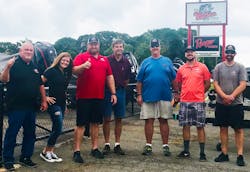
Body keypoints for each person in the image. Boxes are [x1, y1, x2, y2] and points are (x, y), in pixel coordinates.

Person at [2, 42, 48, 171]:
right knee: (12, 133)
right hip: (16, 107)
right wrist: (7, 67)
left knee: (30, 134)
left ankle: (26, 157)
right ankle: (8, 159)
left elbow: (40, 84)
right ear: (20, 51)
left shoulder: (34, 66)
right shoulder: (13, 64)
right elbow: (4, 79)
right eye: (26, 50)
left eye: (31, 50)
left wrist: (44, 100)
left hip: (31, 107)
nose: (28, 52)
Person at [72, 37, 117, 163]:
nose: (93, 46)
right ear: (87, 45)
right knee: (80, 125)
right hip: (83, 97)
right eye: (91, 44)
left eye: (95, 44)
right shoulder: (81, 57)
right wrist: (83, 66)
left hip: (99, 96)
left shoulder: (104, 59)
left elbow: (109, 76)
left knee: (96, 123)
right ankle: (76, 151)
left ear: (99, 45)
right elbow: (73, 70)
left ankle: (95, 148)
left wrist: (113, 93)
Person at [136, 39, 176, 156]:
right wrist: (139, 95)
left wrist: (176, 92)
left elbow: (174, 79)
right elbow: (139, 81)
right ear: (150, 48)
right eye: (153, 46)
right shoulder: (145, 62)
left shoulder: (167, 61)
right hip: (148, 96)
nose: (155, 48)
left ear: (160, 47)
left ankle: (165, 146)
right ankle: (148, 145)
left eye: (156, 46)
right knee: (149, 120)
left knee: (164, 120)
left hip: (164, 96)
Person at [174, 46, 211, 161]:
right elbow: (179, 84)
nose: (189, 54)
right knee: (186, 126)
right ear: (185, 55)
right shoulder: (181, 69)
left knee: (200, 126)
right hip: (185, 101)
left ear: (195, 53)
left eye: (191, 52)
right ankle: (186, 151)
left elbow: (207, 84)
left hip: (198, 101)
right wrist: (184, 93)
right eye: (187, 52)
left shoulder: (202, 67)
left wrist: (199, 93)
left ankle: (202, 153)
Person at [213, 45, 247, 166]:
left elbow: (243, 84)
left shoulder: (240, 67)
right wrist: (224, 96)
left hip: (236, 104)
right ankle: (224, 153)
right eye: (227, 52)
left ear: (235, 54)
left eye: (231, 52)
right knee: (223, 128)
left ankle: (240, 155)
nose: (229, 54)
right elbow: (215, 84)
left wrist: (232, 96)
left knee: (238, 129)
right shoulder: (218, 67)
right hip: (221, 103)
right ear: (224, 53)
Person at [39, 52, 73, 163]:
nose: (65, 62)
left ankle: (50, 150)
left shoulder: (66, 73)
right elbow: (39, 83)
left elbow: (63, 90)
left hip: (62, 103)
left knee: (56, 128)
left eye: (67, 61)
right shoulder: (51, 71)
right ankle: (45, 152)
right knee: (58, 127)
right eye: (63, 60)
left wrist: (66, 105)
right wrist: (45, 98)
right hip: (53, 104)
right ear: (59, 59)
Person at [102, 39, 131, 155]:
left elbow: (127, 79)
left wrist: (120, 87)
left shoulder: (126, 62)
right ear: (112, 48)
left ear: (123, 48)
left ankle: (117, 144)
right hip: (107, 92)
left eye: (120, 46)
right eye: (116, 46)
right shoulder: (107, 60)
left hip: (120, 91)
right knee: (107, 118)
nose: (119, 48)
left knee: (119, 118)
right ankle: (107, 144)